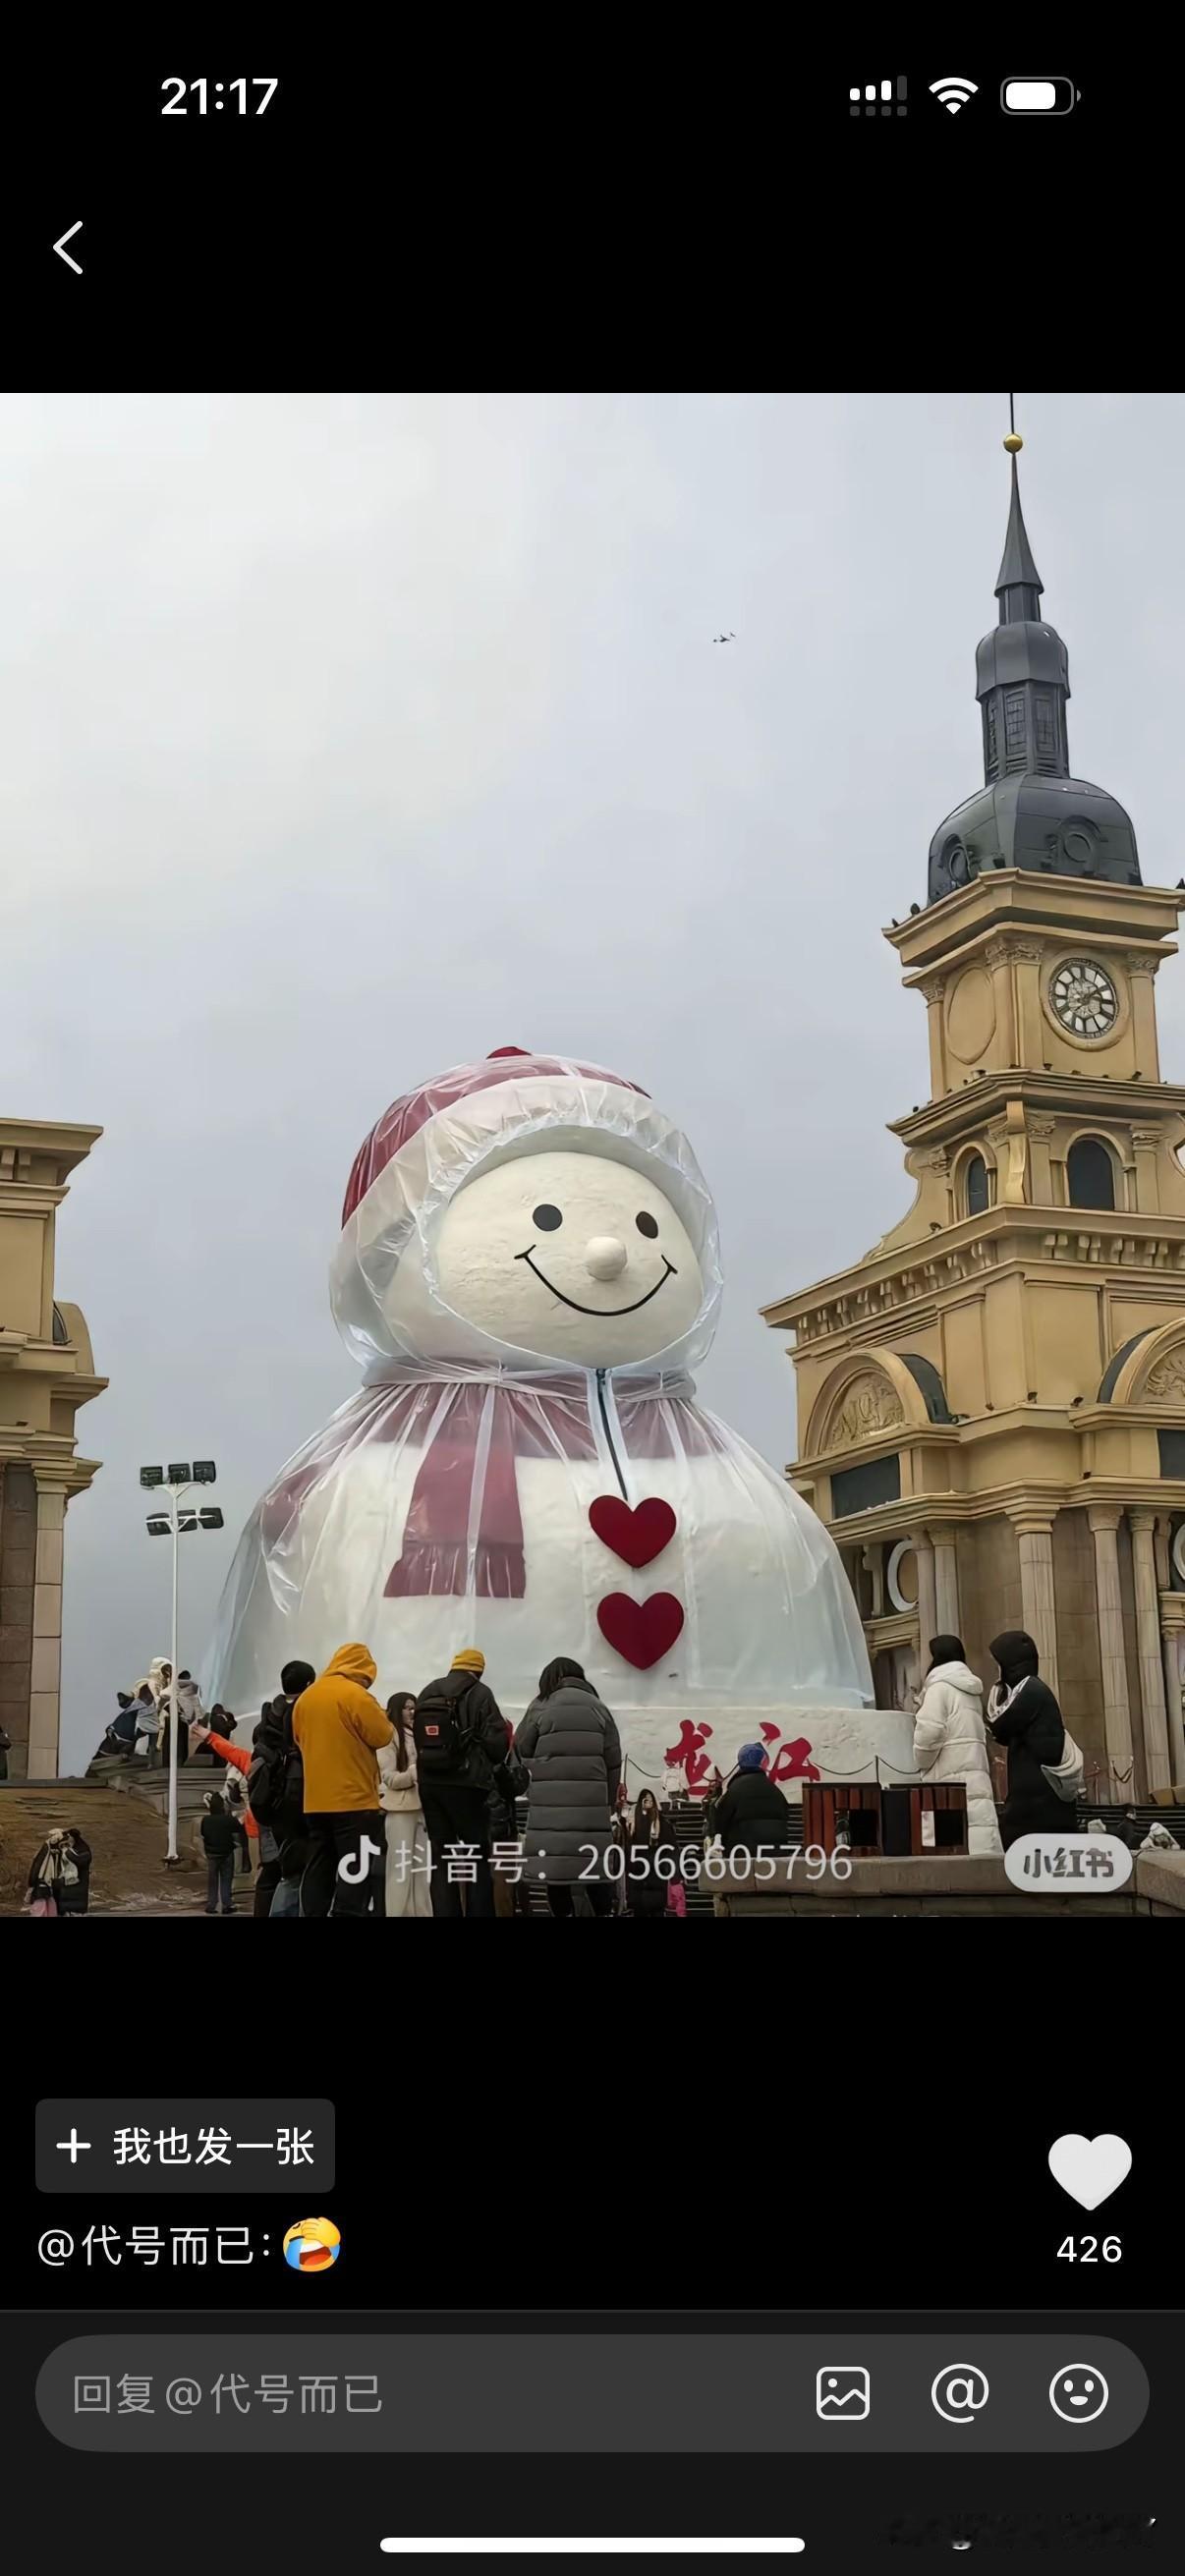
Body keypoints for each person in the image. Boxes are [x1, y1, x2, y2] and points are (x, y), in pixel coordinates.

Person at [515, 1655, 622, 1919]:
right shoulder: (599, 1707)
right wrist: (605, 1801)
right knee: (594, 1868)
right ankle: (604, 1913)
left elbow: (520, 1748)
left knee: (557, 1872)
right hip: (591, 1810)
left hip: (550, 1811)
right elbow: (613, 1760)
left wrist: (541, 1769)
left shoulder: (540, 1706)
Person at [293, 1644, 393, 1916]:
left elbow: (299, 1740)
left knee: (319, 1866)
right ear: (362, 1670)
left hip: (315, 1801)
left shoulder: (306, 1698)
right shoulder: (355, 1695)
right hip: (354, 1799)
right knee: (354, 1866)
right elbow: (382, 1735)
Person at [415, 1649, 511, 1920]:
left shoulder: (428, 1691)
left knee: (442, 1856)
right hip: (468, 1785)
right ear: (478, 1671)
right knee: (476, 1855)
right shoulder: (481, 1693)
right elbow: (496, 1744)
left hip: (430, 1783)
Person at [911, 1634, 1002, 1857]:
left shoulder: (939, 1689)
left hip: (946, 1781)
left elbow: (929, 1733)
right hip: (975, 1776)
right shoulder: (969, 1690)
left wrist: (921, 1761)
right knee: (978, 1838)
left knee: (944, 1848)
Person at [987, 1631, 1076, 1849]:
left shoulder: (1032, 1690)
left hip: (1040, 1801)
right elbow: (1005, 1736)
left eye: (1000, 1664)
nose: (997, 1672)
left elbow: (998, 1725)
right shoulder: (1026, 1690)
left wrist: (997, 1690)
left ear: (1011, 1664)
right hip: (1037, 1799)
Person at [244, 1662, 315, 1917]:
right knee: (297, 1873)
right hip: (298, 1800)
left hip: (273, 1802)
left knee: (286, 1870)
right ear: (309, 1684)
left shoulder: (270, 1715)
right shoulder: (303, 1713)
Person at [377, 1691, 431, 1919]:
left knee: (422, 1870)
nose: (412, 1712)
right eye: (407, 1708)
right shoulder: (388, 1736)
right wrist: (414, 1772)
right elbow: (389, 1778)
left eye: (414, 1707)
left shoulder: (418, 1735)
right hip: (399, 1810)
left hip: (421, 1808)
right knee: (400, 1870)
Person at [713, 1742, 794, 1862]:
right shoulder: (775, 1791)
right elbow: (786, 1818)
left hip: (743, 1856)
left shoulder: (734, 1791)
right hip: (776, 1856)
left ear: (740, 1762)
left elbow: (720, 1825)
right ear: (762, 1762)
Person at [624, 1788, 674, 1919]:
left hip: (650, 1876)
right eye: (645, 1800)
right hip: (647, 1876)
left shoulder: (661, 1823)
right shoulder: (635, 1824)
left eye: (650, 1800)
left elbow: (671, 1848)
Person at [27, 1825, 92, 1915]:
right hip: (67, 1890)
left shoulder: (74, 1852)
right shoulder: (58, 1851)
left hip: (71, 1889)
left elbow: (77, 1859)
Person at [200, 1792, 237, 1915]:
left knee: (213, 1880)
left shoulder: (206, 1820)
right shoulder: (228, 1820)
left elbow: (204, 1834)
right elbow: (239, 1829)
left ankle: (211, 1905)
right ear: (222, 1806)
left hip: (212, 1854)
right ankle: (227, 1904)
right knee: (227, 1879)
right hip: (227, 1853)